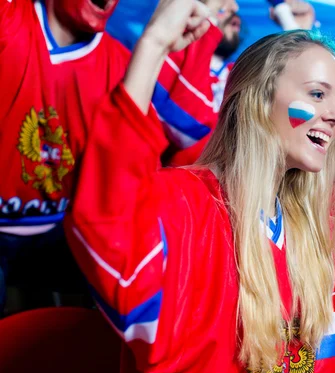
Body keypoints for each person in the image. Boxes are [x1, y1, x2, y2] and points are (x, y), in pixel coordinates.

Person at [63, 0, 335, 373]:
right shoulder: (186, 203)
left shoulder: (306, 233)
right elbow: (109, 232)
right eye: (317, 94)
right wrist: (153, 44)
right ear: (257, 100)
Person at [0, 0, 221, 313]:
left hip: (60, 232)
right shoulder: (10, 20)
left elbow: (131, 187)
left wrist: (158, 47)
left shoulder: (121, 64)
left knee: (155, 282)